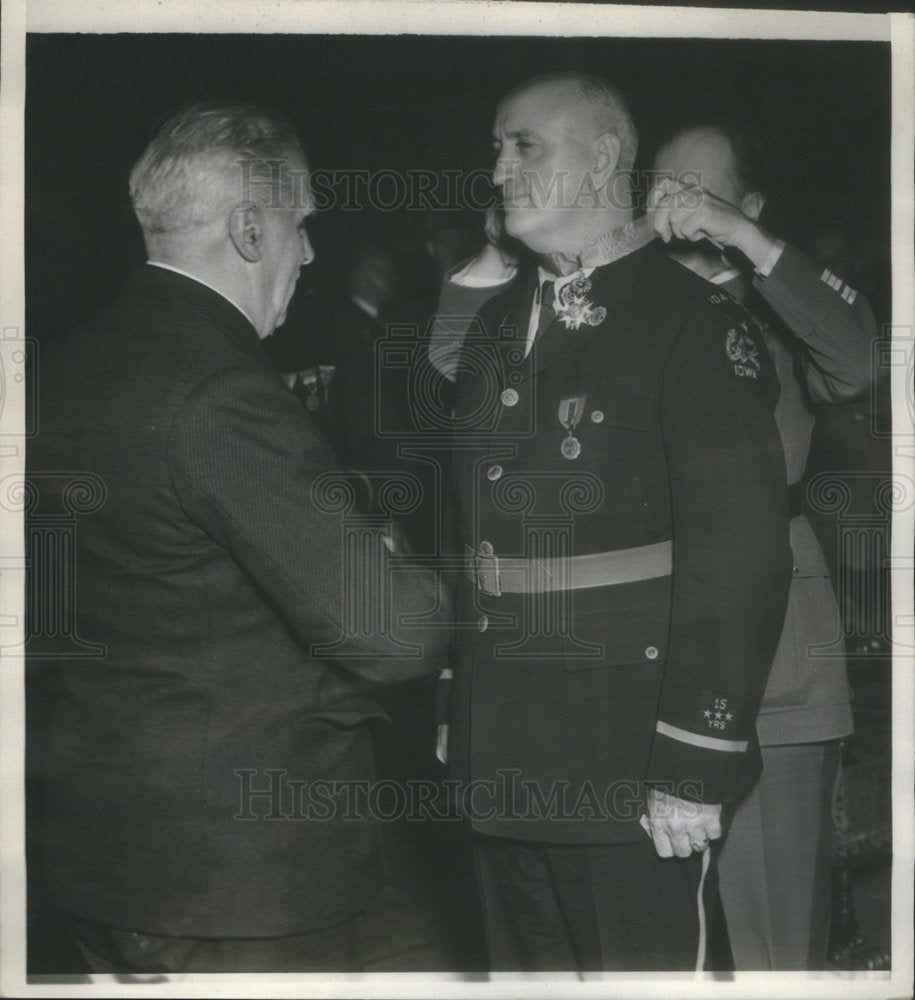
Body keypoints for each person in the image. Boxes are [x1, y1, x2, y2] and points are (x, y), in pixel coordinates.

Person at [27, 101, 450, 974]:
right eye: (301, 226)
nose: (309, 253)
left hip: (100, 848)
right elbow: (393, 634)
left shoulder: (63, 367)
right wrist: (410, 565)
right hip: (238, 879)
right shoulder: (223, 394)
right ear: (251, 229)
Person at [442, 72, 792, 972]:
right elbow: (470, 541)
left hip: (629, 765)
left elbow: (739, 558)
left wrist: (691, 764)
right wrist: (461, 708)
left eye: (524, 146)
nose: (499, 168)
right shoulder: (491, 329)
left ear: (603, 158)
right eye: (495, 147)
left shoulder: (691, 324)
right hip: (506, 758)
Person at [650, 121, 875, 970]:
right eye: (661, 188)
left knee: (773, 936)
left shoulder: (780, 311)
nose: (677, 208)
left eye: (701, 192)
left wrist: (744, 243)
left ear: (748, 205)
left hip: (775, 647)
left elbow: (855, 362)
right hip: (641, 638)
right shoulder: (616, 302)